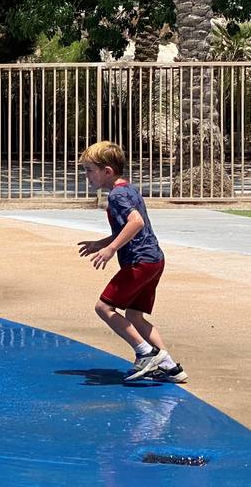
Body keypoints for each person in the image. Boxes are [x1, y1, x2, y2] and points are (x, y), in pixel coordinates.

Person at [77, 141, 187, 383]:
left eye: (88, 170)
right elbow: (129, 227)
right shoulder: (129, 189)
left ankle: (145, 354)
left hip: (139, 261)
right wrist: (101, 242)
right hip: (154, 259)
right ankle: (169, 366)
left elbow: (135, 222)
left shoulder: (116, 196)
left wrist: (110, 249)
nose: (86, 176)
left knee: (103, 308)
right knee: (135, 315)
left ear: (107, 171)